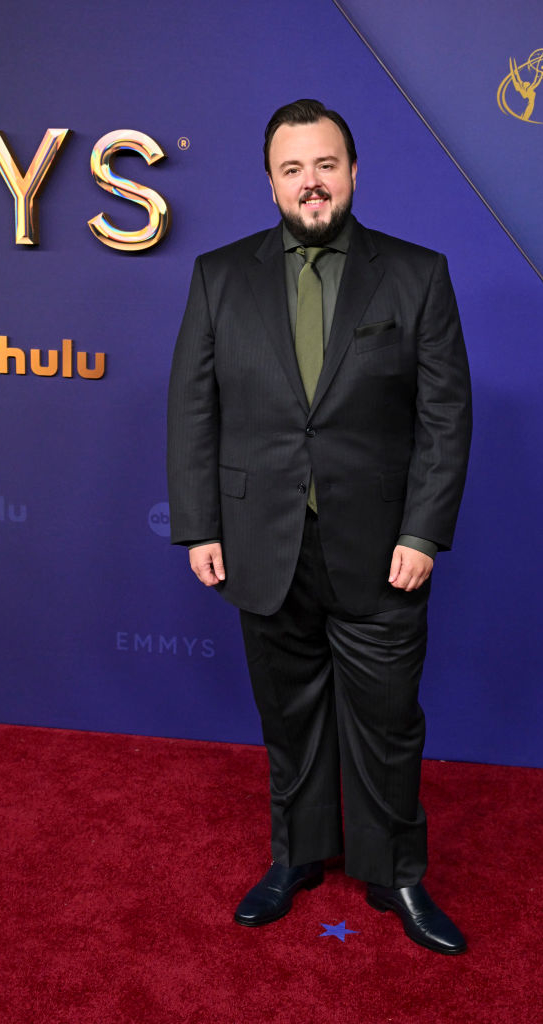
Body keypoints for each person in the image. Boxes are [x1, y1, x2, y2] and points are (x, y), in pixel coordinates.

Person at [167, 99, 472, 954]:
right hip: (262, 545)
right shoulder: (218, 276)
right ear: (269, 180)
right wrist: (198, 527)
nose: (311, 182)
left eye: (325, 164)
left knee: (386, 723)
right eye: (292, 168)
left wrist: (421, 534)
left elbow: (446, 419)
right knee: (290, 721)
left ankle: (396, 878)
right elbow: (193, 410)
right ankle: (295, 859)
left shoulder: (416, 274)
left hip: (381, 553)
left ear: (351, 171)